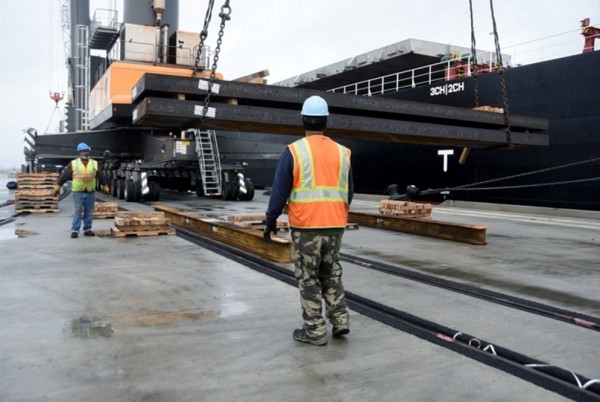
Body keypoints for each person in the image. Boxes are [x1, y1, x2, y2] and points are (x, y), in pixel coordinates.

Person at [264, 95, 354, 346]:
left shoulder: (294, 151)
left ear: (303, 120)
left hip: (307, 227)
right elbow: (349, 193)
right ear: (326, 121)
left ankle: (314, 331)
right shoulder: (343, 152)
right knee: (331, 272)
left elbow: (279, 191)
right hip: (335, 226)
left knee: (309, 277)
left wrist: (270, 221)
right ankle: (340, 320)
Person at [53, 142, 110, 238]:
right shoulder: (73, 163)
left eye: (87, 151)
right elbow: (65, 175)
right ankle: (75, 230)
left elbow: (100, 175)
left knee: (88, 212)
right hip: (78, 192)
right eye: (84, 151)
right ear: (79, 152)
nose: (86, 153)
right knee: (77, 212)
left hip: (90, 192)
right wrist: (58, 185)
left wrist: (105, 185)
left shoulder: (94, 163)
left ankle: (87, 229)